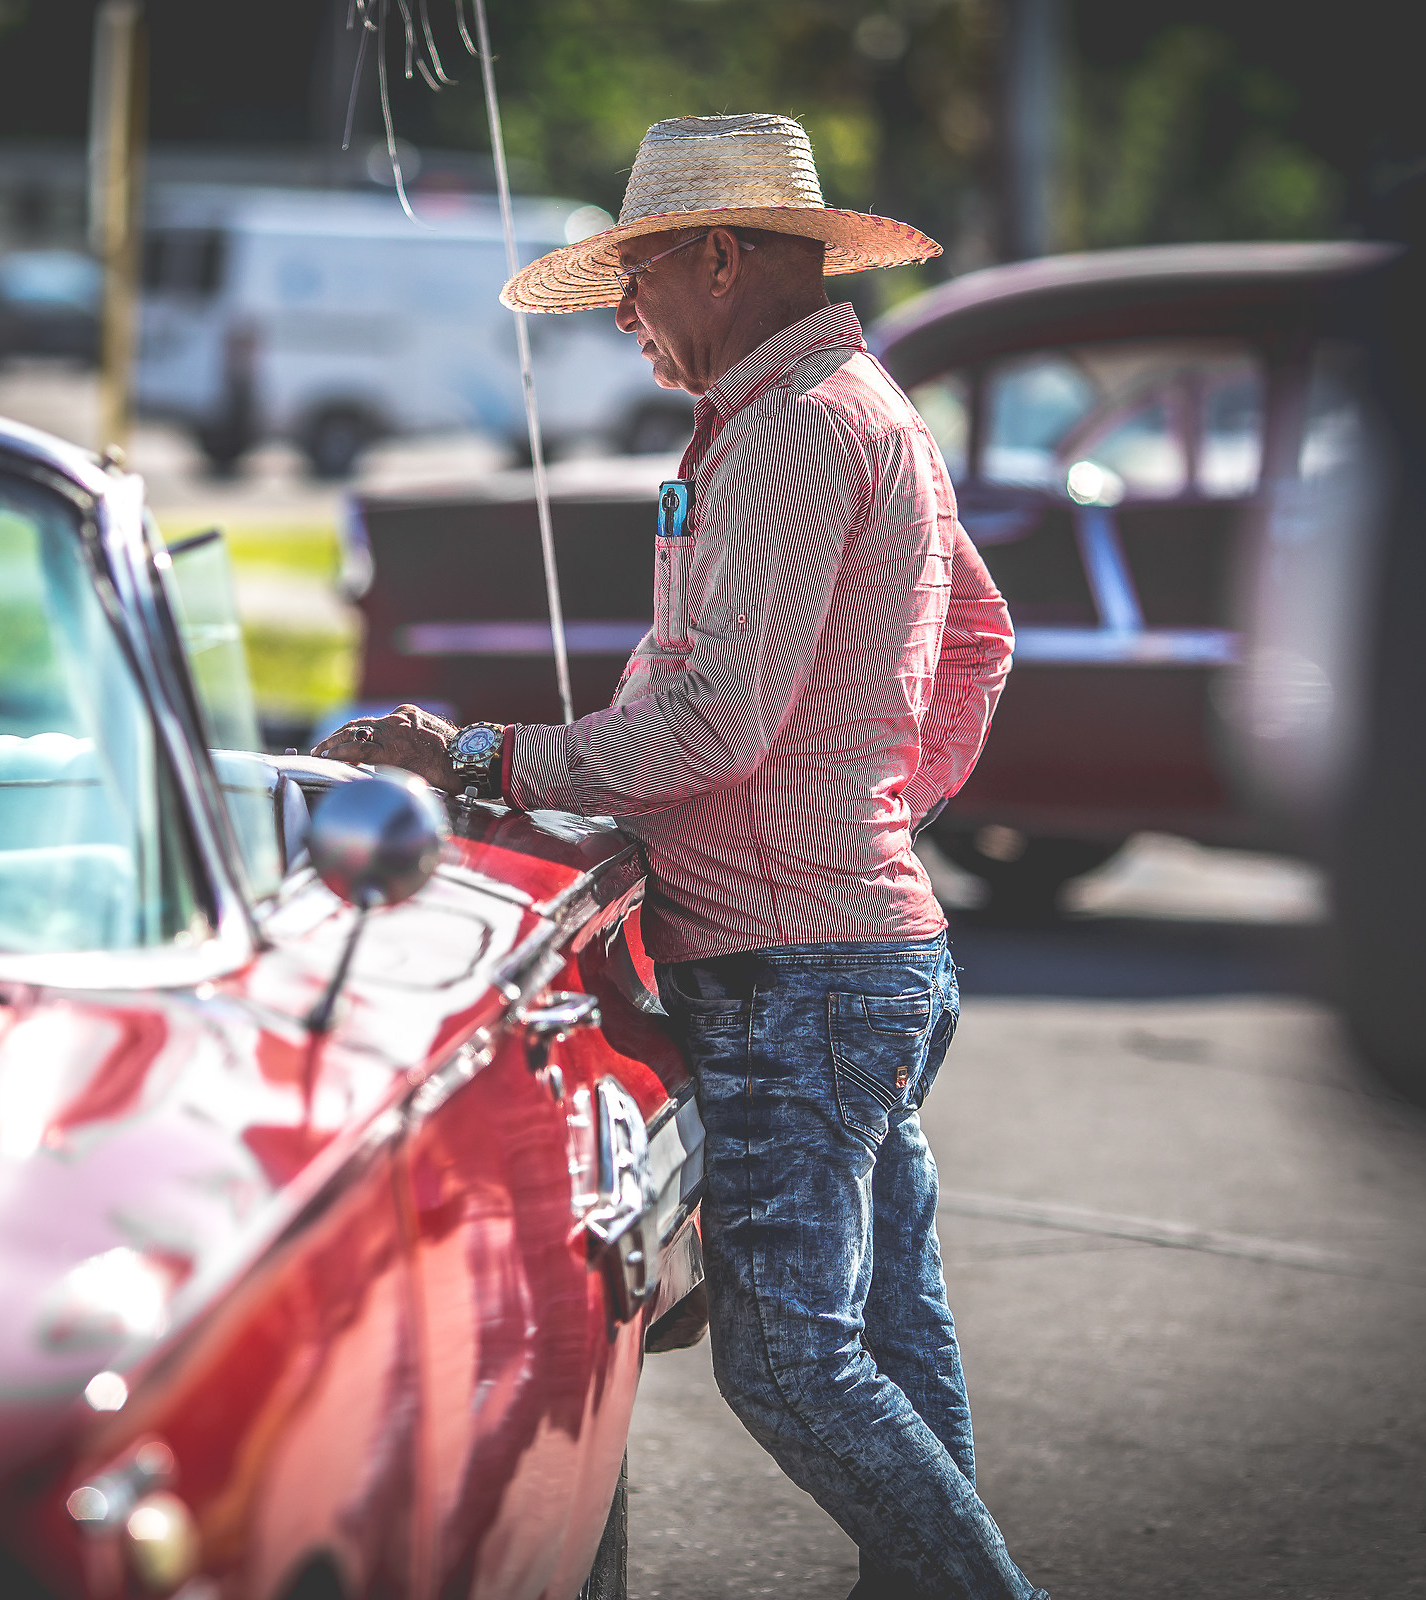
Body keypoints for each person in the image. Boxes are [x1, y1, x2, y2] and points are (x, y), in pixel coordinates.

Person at [313, 113, 1040, 1600]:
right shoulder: (866, 404)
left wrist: (473, 758)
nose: (628, 321)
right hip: (867, 947)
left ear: (719, 257)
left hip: (803, 975)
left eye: (637, 282)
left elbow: (710, 727)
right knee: (886, 1329)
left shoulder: (789, 430)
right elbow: (979, 641)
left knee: (789, 1364)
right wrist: (874, 816)